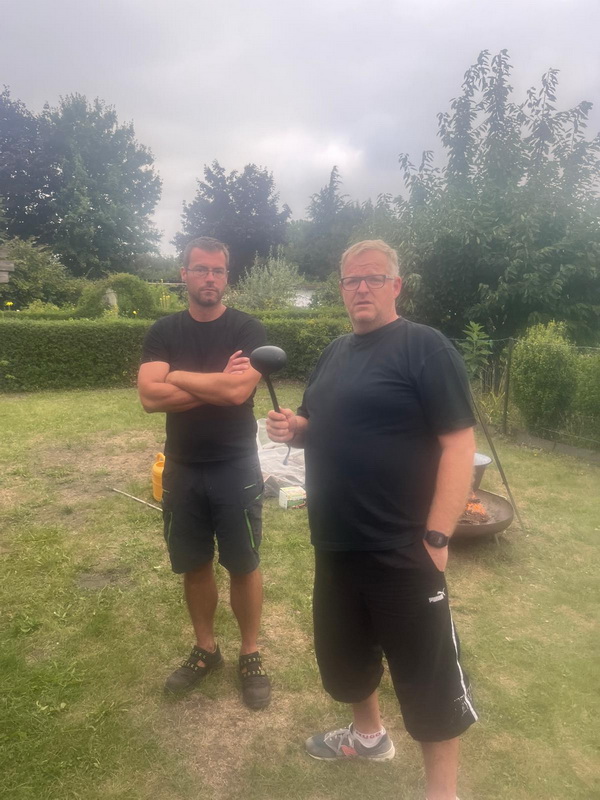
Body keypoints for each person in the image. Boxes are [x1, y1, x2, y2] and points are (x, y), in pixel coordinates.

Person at [266, 240, 478, 800]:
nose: (361, 288)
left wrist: (438, 536)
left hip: (403, 547)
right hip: (337, 543)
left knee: (429, 679)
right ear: (341, 288)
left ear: (395, 286)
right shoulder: (335, 352)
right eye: (351, 280)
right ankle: (368, 737)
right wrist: (295, 427)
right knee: (347, 658)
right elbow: (317, 422)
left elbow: (459, 444)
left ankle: (442, 793)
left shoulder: (425, 347)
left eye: (374, 278)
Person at [138, 236, 271, 709]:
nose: (209, 278)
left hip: (236, 465)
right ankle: (206, 649)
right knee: (193, 564)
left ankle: (250, 652)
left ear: (226, 276)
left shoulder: (248, 328)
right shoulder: (164, 331)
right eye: (200, 269)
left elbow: (238, 393)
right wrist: (217, 382)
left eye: (217, 270)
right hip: (182, 467)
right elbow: (149, 397)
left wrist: (175, 375)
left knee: (243, 563)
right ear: (184, 274)